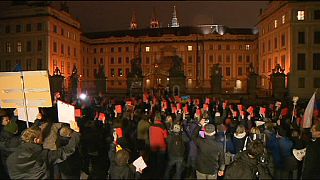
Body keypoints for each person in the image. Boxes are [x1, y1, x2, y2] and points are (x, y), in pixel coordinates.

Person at [6, 124, 80, 179]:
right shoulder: (40, 156)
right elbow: (67, 151)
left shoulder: (10, 158)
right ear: (36, 140)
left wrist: (36, 121)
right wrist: (76, 133)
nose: (43, 139)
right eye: (42, 137)